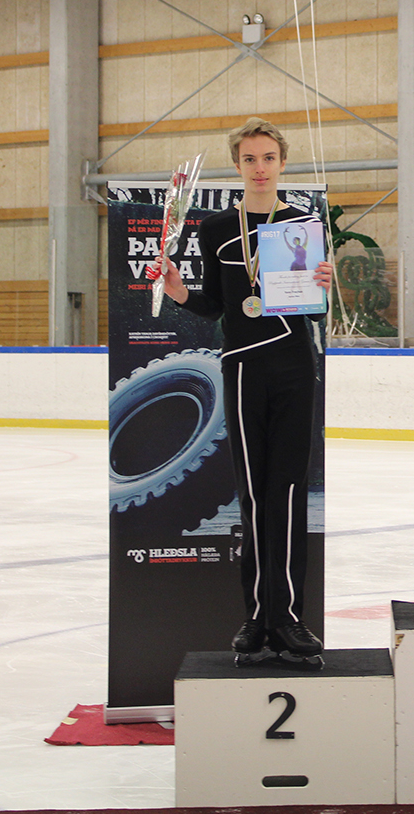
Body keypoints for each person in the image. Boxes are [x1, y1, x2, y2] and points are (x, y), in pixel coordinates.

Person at [157, 117, 334, 666]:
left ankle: (289, 618)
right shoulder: (214, 229)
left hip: (294, 366)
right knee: (254, 493)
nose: (260, 169)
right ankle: (257, 616)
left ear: (283, 163)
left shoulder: (303, 223)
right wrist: (180, 292)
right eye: (250, 160)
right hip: (241, 369)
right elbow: (215, 306)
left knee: (287, 492)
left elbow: (314, 307)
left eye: (269, 158)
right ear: (238, 166)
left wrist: (324, 284)